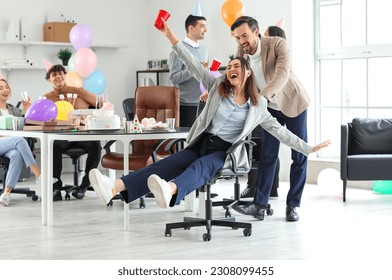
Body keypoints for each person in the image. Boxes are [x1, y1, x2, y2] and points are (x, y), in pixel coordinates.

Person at [88, 18, 330, 222]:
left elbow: (282, 121)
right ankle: (113, 188)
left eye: (243, 36)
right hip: (203, 143)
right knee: (163, 166)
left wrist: (307, 147)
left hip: (245, 135)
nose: (233, 64)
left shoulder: (260, 99)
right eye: (231, 65)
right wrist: (171, 36)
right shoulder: (219, 85)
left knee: (200, 167)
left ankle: (170, 190)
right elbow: (193, 65)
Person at [230, 16, 311, 222]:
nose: (242, 41)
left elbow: (282, 74)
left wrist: (264, 96)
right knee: (268, 155)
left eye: (245, 35)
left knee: (299, 155)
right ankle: (259, 205)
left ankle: (293, 205)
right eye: (238, 38)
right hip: (269, 110)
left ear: (256, 32)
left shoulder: (278, 44)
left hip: (293, 103)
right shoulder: (242, 52)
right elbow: (240, 79)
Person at [239, 24, 287, 200]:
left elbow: (278, 78)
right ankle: (265, 194)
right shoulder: (250, 54)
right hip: (265, 105)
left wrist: (261, 99)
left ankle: (258, 188)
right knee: (268, 151)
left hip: (272, 104)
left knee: (262, 149)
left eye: (265, 35)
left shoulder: (277, 54)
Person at [44, 65, 102, 201]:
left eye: (60, 73)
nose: (58, 77)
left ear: (65, 75)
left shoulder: (79, 91)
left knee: (95, 145)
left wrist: (88, 114)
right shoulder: (47, 97)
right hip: (62, 135)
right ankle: (56, 187)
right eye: (54, 75)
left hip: (81, 134)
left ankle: (84, 185)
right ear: (49, 80)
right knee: (53, 145)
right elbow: (41, 118)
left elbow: (100, 103)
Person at [0, 79, 41, 206]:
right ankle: (39, 175)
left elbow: (27, 126)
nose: (5, 90)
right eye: (1, 88)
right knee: (19, 140)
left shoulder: (14, 110)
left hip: (10, 145)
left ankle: (6, 194)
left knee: (16, 155)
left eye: (6, 87)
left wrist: (27, 110)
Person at [169, 14, 208, 128]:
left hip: (203, 103)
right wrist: (193, 68)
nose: (206, 30)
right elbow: (174, 78)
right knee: (188, 141)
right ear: (191, 28)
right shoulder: (178, 50)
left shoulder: (204, 50)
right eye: (202, 26)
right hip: (186, 105)